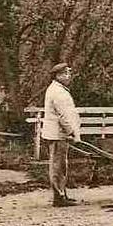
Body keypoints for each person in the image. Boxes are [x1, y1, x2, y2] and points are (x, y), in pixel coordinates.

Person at [41, 63, 82, 207]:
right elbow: (63, 116)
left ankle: (62, 193)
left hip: (59, 134)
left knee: (61, 165)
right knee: (58, 166)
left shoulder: (59, 89)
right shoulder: (57, 92)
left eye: (69, 74)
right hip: (58, 134)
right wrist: (72, 132)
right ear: (57, 76)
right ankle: (58, 197)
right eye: (65, 74)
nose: (68, 76)